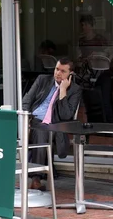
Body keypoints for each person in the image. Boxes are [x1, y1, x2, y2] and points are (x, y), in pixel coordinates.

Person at [21, 57, 82, 190]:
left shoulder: (75, 90)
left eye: (63, 71)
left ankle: (36, 178)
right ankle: (38, 175)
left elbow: (66, 115)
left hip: (55, 125)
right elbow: (26, 100)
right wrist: (27, 117)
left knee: (41, 132)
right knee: (39, 131)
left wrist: (63, 91)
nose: (58, 73)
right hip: (34, 119)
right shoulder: (42, 80)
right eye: (56, 69)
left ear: (70, 74)